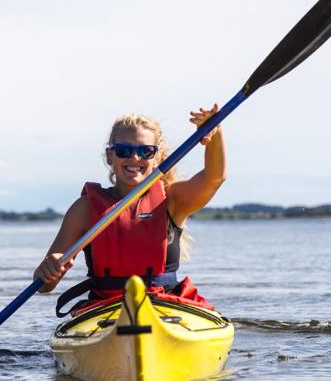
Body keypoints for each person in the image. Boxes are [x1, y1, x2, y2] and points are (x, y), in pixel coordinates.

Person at [33, 104, 225, 313]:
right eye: (124, 150)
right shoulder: (84, 209)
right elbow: (44, 286)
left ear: (157, 158)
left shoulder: (172, 200)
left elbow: (214, 177)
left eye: (145, 151)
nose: (135, 158)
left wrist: (214, 134)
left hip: (166, 305)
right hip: (105, 308)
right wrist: (49, 267)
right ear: (109, 156)